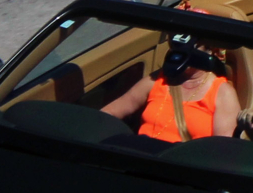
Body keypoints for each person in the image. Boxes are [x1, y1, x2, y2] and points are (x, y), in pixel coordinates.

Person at [98, 38, 242, 142]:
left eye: (192, 47)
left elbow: (222, 149)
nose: (182, 53)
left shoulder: (222, 93)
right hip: (140, 161)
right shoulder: (158, 80)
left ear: (209, 50)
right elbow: (110, 111)